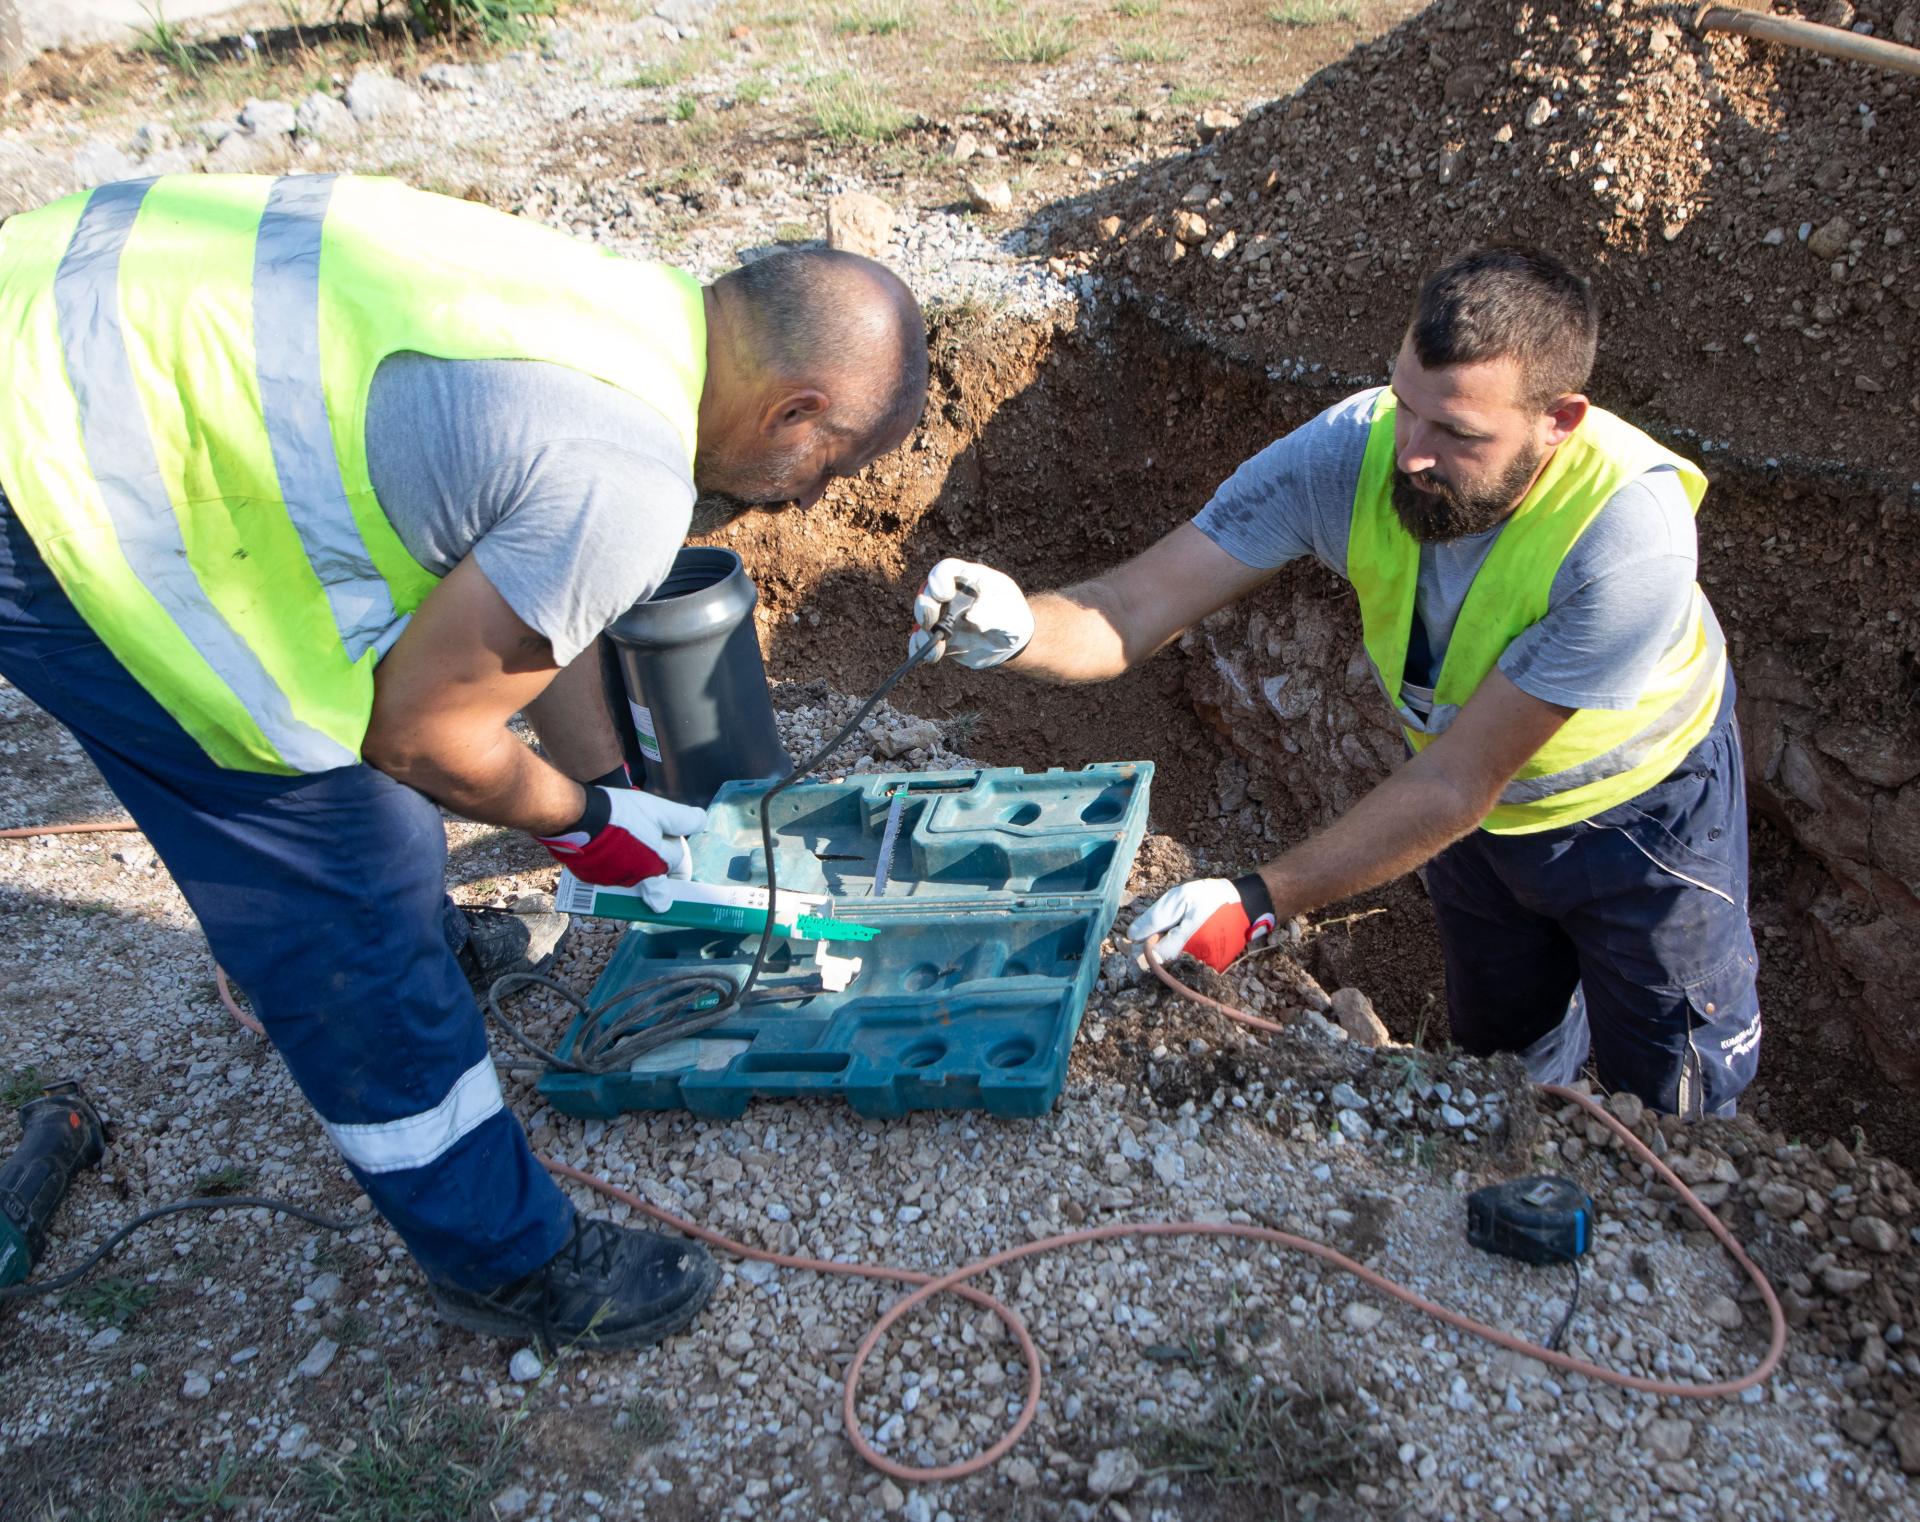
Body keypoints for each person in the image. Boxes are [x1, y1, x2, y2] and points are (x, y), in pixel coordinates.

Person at [0, 172, 927, 1348]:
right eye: (830, 467)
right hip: (52, 462)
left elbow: (534, 607)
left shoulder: (634, 316)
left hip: (58, 293)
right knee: (347, 863)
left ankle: (439, 963)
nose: (814, 496)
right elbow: (419, 735)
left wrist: (616, 801)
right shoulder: (626, 474)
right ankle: (505, 1261)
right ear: (796, 412)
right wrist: (579, 822)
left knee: (388, 796)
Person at [911, 245, 1759, 1117]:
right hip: (1480, 830)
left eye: (1460, 434)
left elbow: (1457, 781)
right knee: (1503, 1067)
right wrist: (1020, 629)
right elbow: (1131, 607)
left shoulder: (1627, 535)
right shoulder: (1350, 453)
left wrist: (1257, 901)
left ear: (1560, 420)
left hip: (1643, 830)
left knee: (1670, 1103)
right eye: (1407, 408)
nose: (1413, 457)